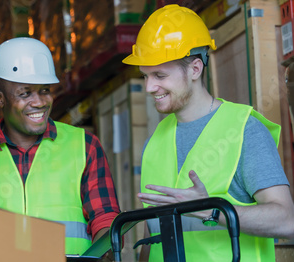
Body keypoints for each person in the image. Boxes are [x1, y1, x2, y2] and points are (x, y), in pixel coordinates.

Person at [122, 4, 294, 261]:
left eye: (159, 75)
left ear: (194, 69)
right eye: (145, 76)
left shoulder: (244, 130)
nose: (149, 87)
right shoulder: (154, 143)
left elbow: (287, 221)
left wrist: (211, 210)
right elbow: (155, 237)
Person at [0, 37, 120, 256]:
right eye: (25, 93)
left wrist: (103, 253)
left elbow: (106, 219)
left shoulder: (85, 146)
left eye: (45, 90)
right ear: (0, 98)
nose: (39, 102)